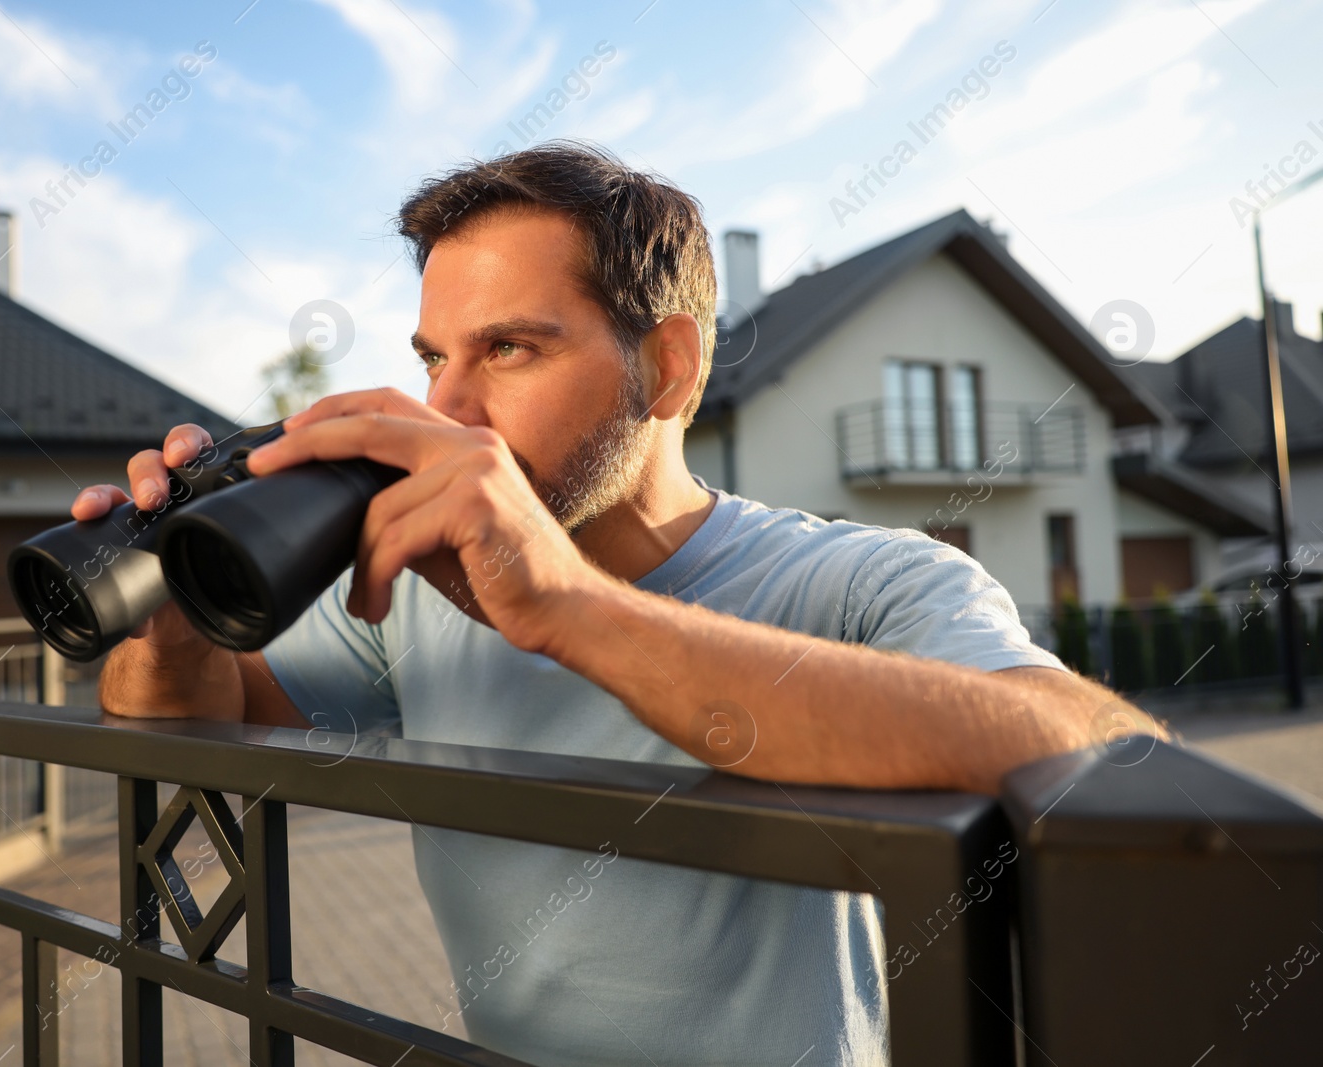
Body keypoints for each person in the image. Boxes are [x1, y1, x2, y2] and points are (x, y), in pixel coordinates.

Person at [71, 141, 1157, 1066]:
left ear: (670, 369)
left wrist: (566, 606)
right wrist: (170, 603)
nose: (446, 405)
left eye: (509, 347)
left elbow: (1095, 749)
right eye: (434, 357)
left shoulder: (864, 579)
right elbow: (189, 730)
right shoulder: (414, 590)